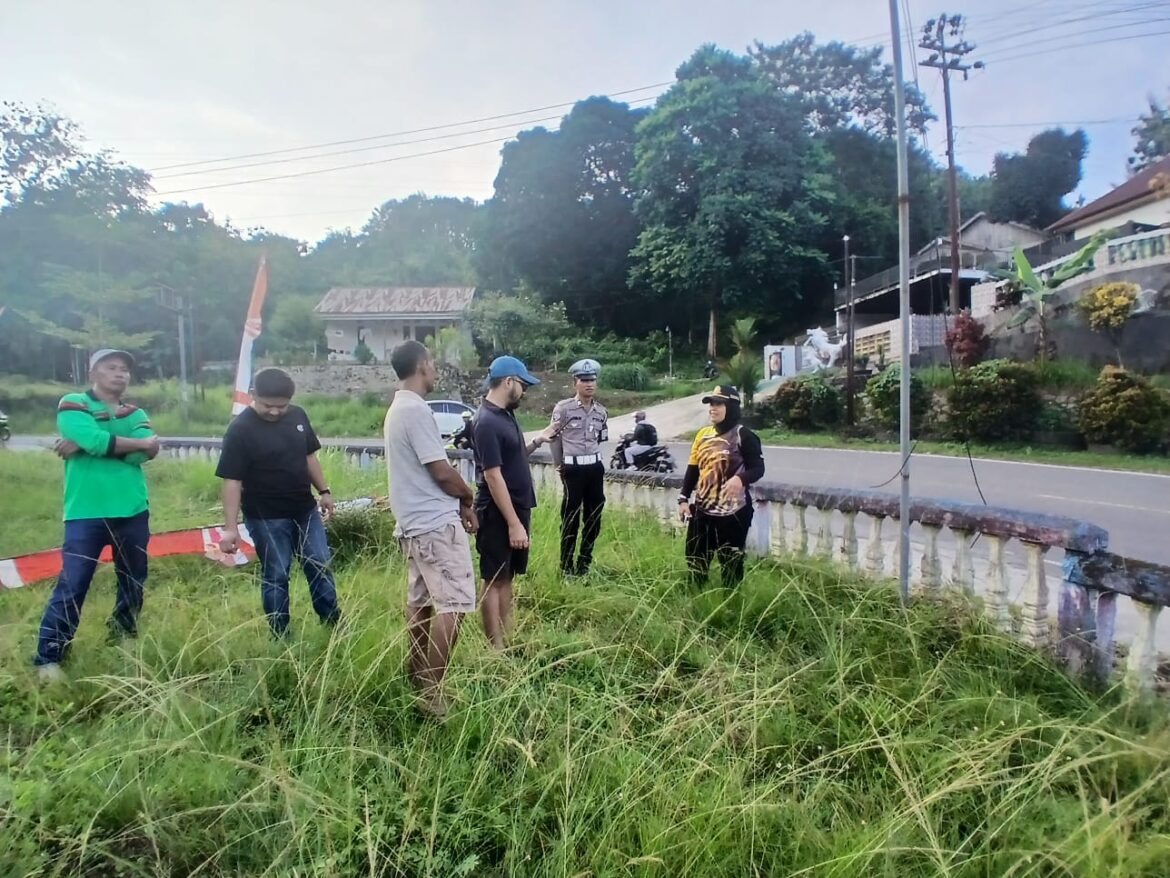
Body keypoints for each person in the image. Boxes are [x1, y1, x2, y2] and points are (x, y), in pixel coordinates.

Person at [33, 349, 160, 682]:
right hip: (85, 512)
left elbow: (143, 455)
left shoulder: (136, 410)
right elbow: (102, 440)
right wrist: (126, 442)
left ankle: (123, 635)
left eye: (124, 370)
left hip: (132, 509)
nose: (119, 374)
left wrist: (93, 444)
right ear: (93, 373)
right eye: (111, 368)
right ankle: (50, 656)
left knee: (133, 580)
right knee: (73, 583)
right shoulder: (73, 402)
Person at [384, 340, 478, 718]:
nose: (436, 370)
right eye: (434, 364)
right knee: (454, 605)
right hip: (435, 526)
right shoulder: (415, 409)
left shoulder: (396, 409)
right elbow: (440, 470)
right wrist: (467, 498)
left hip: (412, 525)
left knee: (421, 603)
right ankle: (432, 694)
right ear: (422, 365)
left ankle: (416, 675)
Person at [217, 368, 341, 638]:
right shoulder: (240, 430)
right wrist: (231, 528)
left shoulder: (297, 416)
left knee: (320, 564)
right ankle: (280, 635)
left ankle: (333, 626)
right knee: (277, 574)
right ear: (253, 395)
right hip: (266, 517)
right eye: (268, 406)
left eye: (281, 406)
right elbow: (232, 481)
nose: (275, 412)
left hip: (304, 509)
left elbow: (309, 457)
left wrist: (324, 490)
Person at [471, 356, 559, 649]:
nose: (524, 391)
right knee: (493, 578)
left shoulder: (505, 415)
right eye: (522, 385)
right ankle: (494, 649)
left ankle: (507, 639)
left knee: (506, 576)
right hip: (498, 513)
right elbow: (493, 476)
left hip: (516, 509)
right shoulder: (485, 422)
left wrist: (538, 440)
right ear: (508, 382)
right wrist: (513, 524)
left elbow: (512, 456)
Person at [677, 385, 765, 588]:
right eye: (711, 404)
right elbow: (693, 470)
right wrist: (683, 499)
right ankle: (696, 603)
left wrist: (740, 479)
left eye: (719, 404)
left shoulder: (744, 435)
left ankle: (731, 607)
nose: (713, 409)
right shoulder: (702, 435)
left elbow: (758, 468)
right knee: (695, 562)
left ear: (732, 407)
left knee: (731, 565)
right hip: (702, 511)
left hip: (734, 513)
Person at [549, 358, 608, 576]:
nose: (589, 384)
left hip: (594, 468)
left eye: (592, 379)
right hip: (572, 470)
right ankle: (566, 567)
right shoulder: (563, 409)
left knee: (594, 518)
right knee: (570, 518)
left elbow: (600, 438)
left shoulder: (601, 411)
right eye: (584, 380)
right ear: (575, 382)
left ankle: (584, 564)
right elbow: (554, 438)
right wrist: (558, 464)